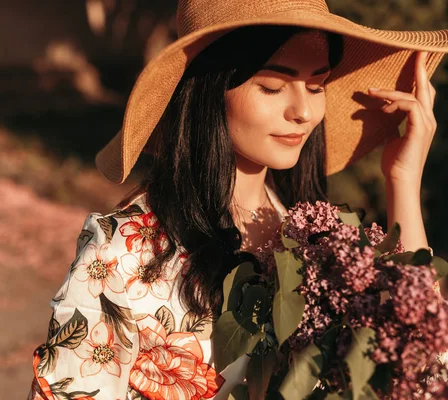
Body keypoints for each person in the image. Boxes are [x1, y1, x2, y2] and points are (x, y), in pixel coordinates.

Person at [28, 1, 448, 399]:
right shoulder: (123, 254)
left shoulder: (318, 237)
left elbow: (421, 358)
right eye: (271, 87)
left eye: (317, 85)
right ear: (210, 90)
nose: (303, 111)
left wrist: (403, 180)